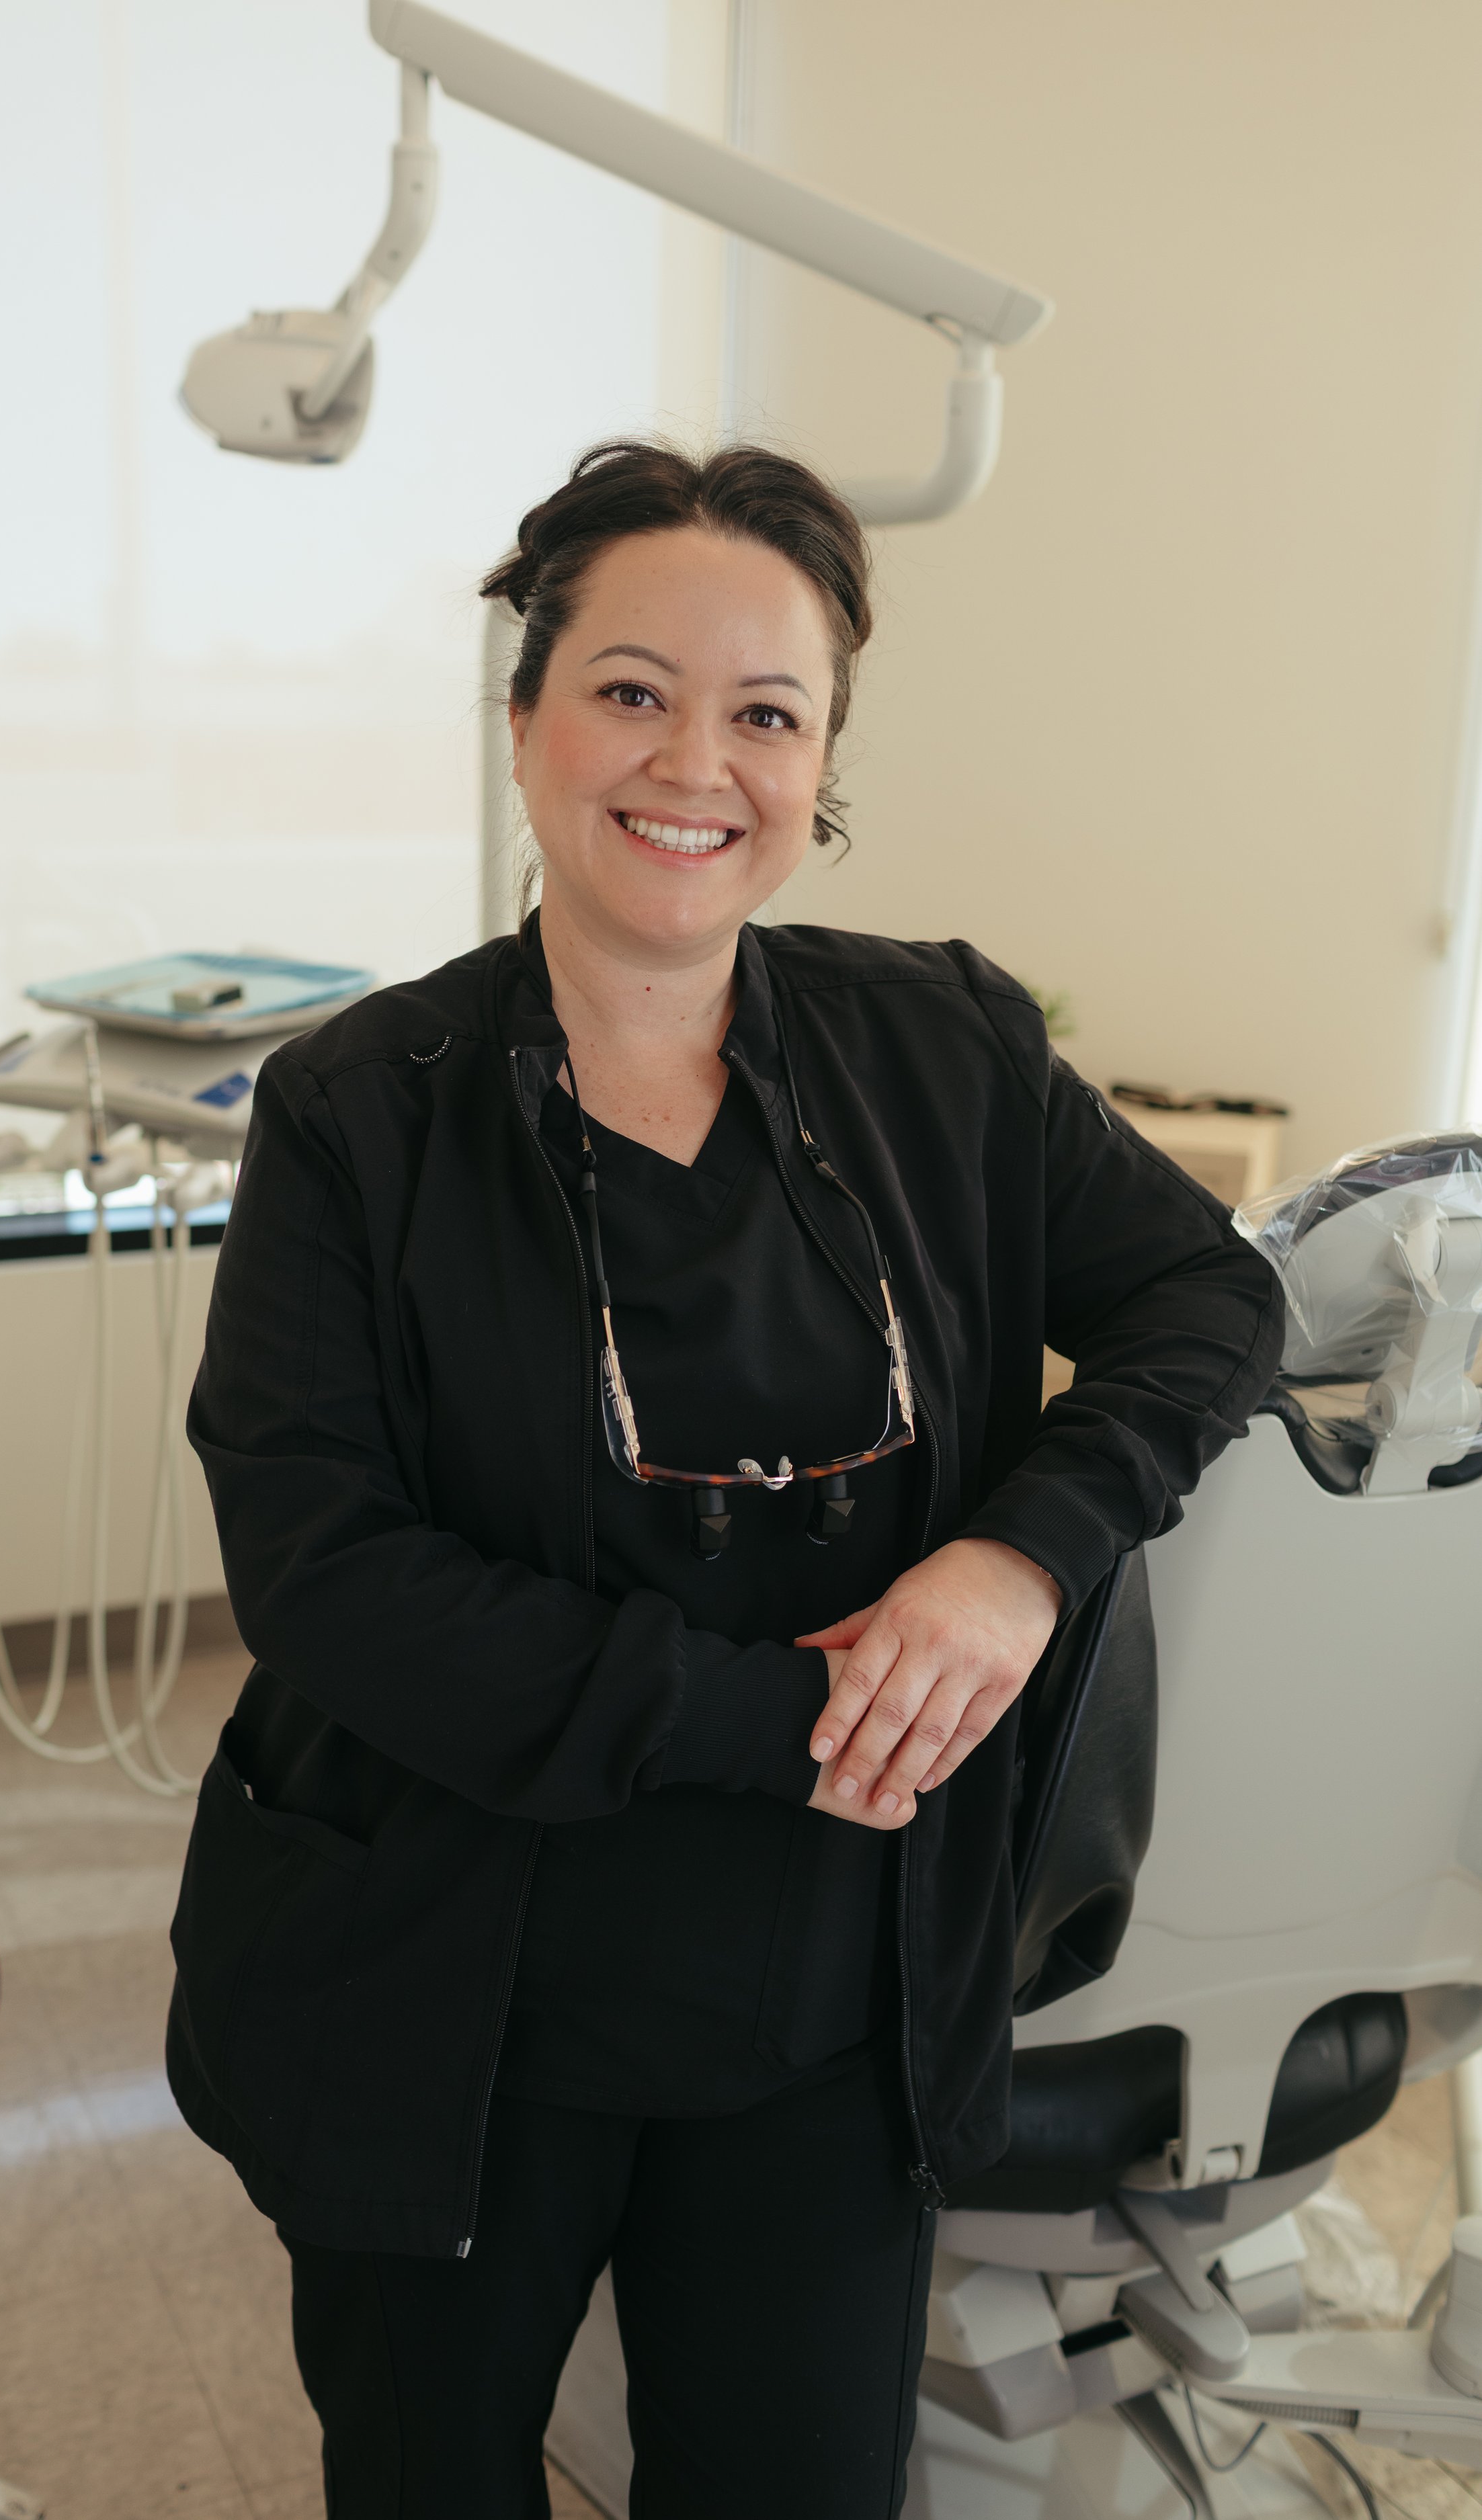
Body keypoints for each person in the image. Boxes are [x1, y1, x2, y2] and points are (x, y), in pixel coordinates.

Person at [168, 439, 1283, 2520]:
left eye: (767, 714)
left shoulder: (940, 1050)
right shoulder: (359, 1112)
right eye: (631, 691)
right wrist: (790, 1720)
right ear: (525, 718)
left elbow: (1209, 1299)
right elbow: (324, 1570)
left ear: (820, 762)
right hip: (454, 1985)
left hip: (831, 1997)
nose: (697, 763)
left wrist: (1019, 1558)